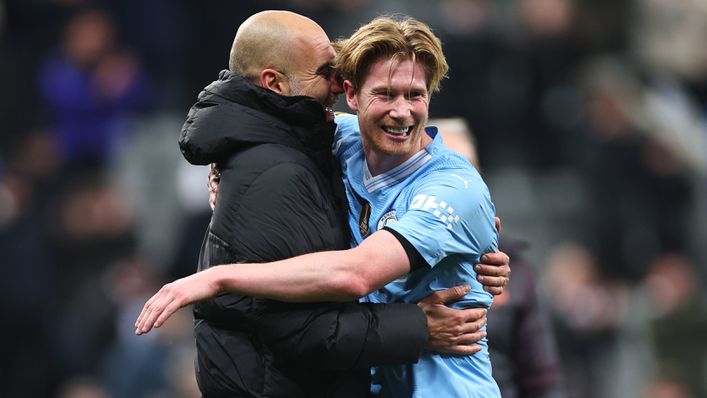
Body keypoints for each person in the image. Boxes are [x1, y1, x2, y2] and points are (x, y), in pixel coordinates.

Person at [136, 14, 509, 397]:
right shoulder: (344, 139)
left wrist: (220, 277)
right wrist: (223, 166)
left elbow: (357, 275)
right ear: (351, 95)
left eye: (415, 95)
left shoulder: (453, 187)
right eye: (384, 94)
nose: (401, 111)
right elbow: (262, 118)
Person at [434, 118, 567, 398]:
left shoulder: (515, 268)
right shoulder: (395, 266)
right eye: (443, 172)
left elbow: (542, 379)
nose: (458, 187)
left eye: (467, 172)